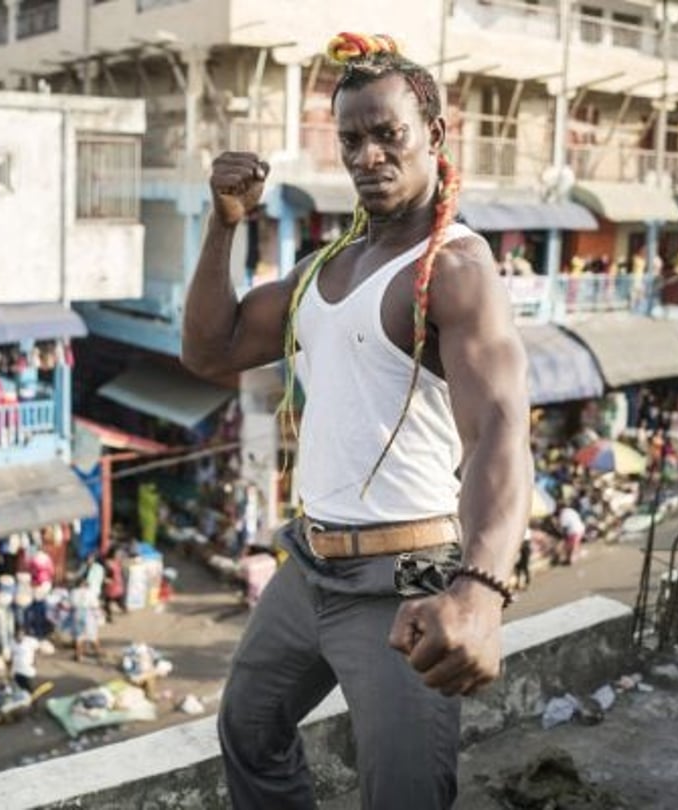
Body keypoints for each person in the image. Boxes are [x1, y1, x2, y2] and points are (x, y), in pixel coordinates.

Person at [181, 32, 531, 809]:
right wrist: (223, 224)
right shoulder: (322, 271)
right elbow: (210, 351)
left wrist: (478, 589)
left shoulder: (456, 272)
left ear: (433, 137)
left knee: (401, 794)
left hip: (405, 581)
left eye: (387, 135)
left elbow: (499, 432)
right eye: (351, 139)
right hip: (309, 568)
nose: (367, 155)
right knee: (248, 729)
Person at [9, 628, 41, 694]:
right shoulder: (12, 643)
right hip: (17, 672)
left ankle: (34, 703)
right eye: (17, 635)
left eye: (21, 634)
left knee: (32, 691)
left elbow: (38, 649)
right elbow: (12, 656)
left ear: (24, 635)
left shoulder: (30, 641)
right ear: (14, 636)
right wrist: (10, 670)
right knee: (21, 692)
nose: (19, 637)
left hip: (28, 672)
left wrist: (36, 659)